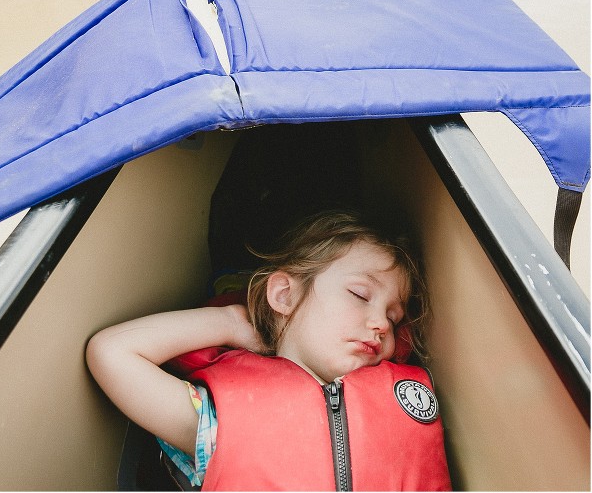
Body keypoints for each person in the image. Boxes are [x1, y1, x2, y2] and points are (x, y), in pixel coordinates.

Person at [86, 210, 437, 490]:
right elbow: (113, 351)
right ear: (285, 295)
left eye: (394, 318)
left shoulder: (404, 406)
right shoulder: (216, 421)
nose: (381, 324)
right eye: (360, 295)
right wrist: (230, 322)